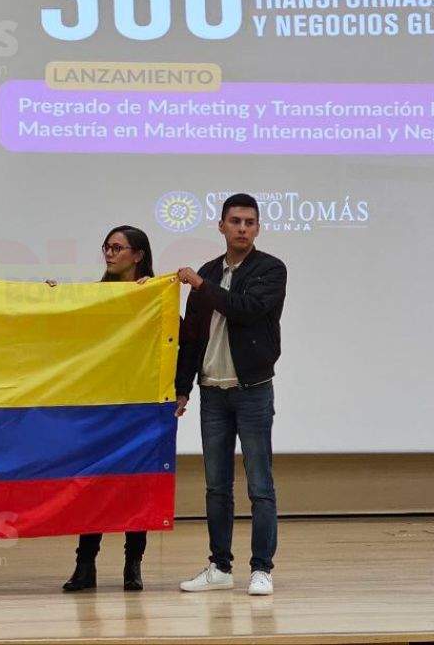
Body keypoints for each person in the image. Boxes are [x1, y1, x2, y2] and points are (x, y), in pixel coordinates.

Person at [175, 193, 287, 597]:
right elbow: (191, 338)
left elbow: (246, 309)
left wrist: (204, 287)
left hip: (253, 391)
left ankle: (262, 568)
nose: (243, 228)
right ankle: (220, 566)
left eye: (250, 222)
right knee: (216, 486)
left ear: (258, 228)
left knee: (260, 483)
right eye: (235, 221)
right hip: (212, 394)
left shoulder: (270, 269)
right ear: (221, 226)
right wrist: (182, 388)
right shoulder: (207, 270)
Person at [50, 225, 161, 593]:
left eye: (117, 248)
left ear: (138, 255)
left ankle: (133, 565)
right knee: (92, 487)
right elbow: (72, 336)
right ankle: (85, 565)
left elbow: (173, 340)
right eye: (107, 247)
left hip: (140, 406)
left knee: (137, 486)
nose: (110, 254)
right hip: (97, 407)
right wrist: (50, 300)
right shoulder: (94, 296)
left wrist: (178, 390)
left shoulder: (155, 297)